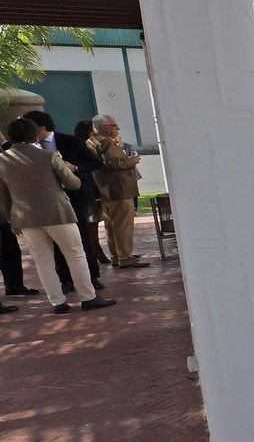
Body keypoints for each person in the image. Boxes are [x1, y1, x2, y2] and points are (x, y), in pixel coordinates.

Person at [0, 118, 113, 313]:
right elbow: (73, 184)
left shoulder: (3, 160)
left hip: (26, 217)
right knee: (75, 254)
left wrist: (11, 219)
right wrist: (68, 169)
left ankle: (57, 302)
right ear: (33, 135)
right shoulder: (48, 156)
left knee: (42, 260)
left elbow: (3, 195)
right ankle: (88, 297)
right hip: (58, 214)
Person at [85, 114, 146, 269]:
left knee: (111, 225)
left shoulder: (92, 141)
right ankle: (125, 256)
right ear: (104, 127)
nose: (117, 128)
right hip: (119, 188)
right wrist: (132, 161)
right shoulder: (105, 142)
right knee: (122, 225)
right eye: (114, 125)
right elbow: (113, 163)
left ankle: (117, 255)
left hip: (107, 189)